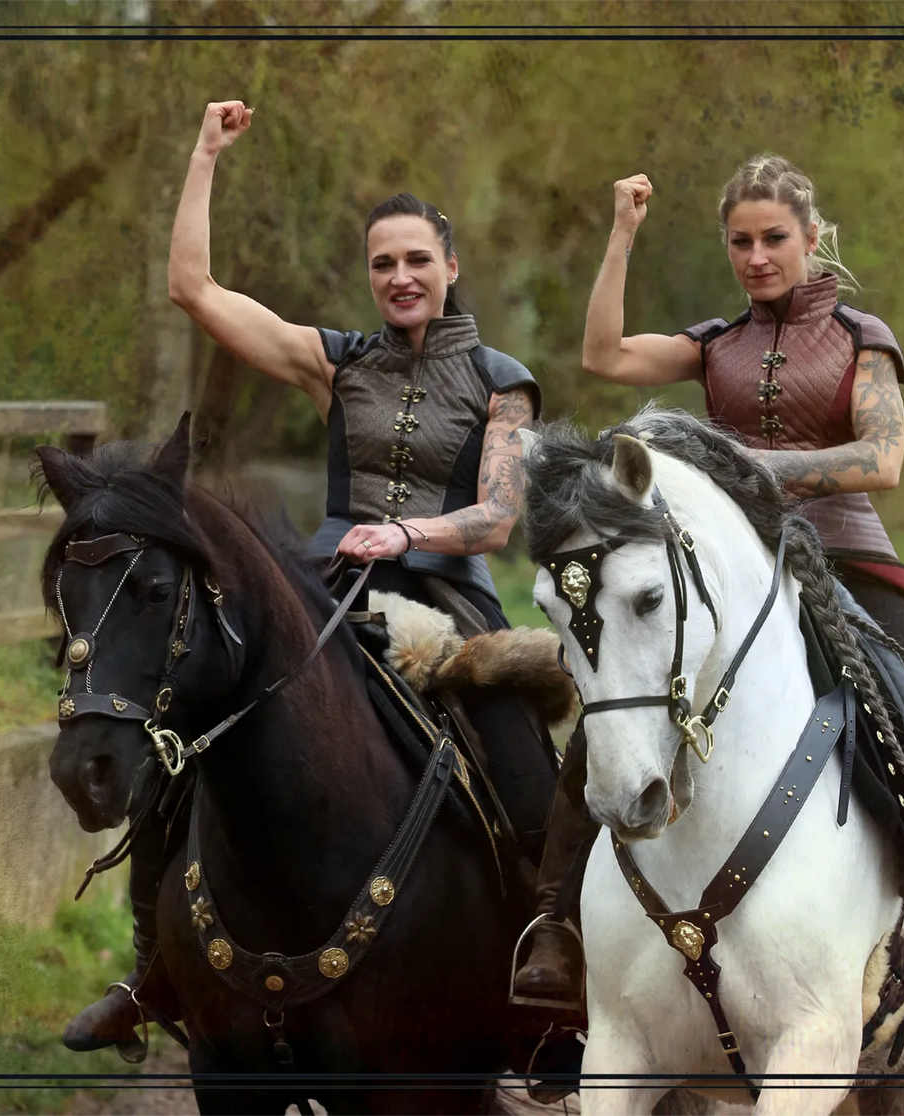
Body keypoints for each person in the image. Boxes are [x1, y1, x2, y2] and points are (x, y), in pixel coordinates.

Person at [513, 154, 904, 1027]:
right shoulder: (714, 342)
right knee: (619, 698)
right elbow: (601, 354)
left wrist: (745, 465)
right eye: (740, 242)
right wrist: (622, 233)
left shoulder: (863, 338)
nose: (757, 257)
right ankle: (554, 925)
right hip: (736, 567)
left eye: (774, 239)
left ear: (810, 236)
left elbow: (883, 459)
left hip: (850, 561)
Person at [65, 100, 574, 1054]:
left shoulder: (503, 381)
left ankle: (552, 972)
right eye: (383, 263)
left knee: (522, 757)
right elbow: (193, 288)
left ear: (450, 266)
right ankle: (149, 968)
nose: (400, 277)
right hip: (319, 590)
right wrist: (204, 156)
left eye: (416, 259)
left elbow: (499, 517)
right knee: (185, 737)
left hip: (446, 599)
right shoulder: (332, 363)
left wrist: (406, 532)